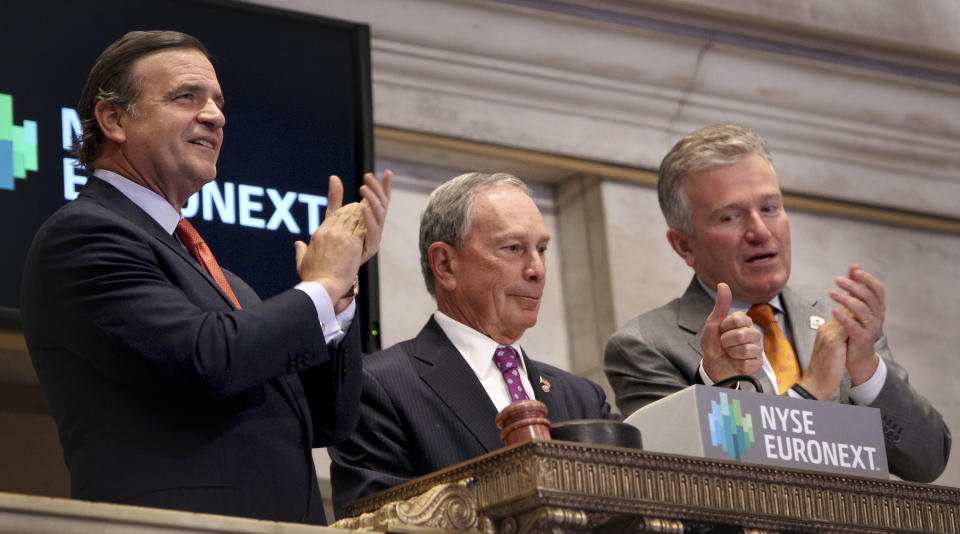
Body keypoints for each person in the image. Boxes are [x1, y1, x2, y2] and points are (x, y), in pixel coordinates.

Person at [20, 31, 391, 524]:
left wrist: (340, 292)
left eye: (218, 102)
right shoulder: (84, 235)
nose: (215, 116)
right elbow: (208, 359)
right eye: (186, 97)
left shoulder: (231, 285)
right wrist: (319, 287)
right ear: (114, 119)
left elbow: (331, 421)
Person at [604, 123, 950, 483]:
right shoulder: (647, 346)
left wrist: (868, 371)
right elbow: (691, 484)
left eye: (770, 208)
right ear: (684, 246)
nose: (760, 231)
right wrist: (810, 392)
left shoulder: (840, 324)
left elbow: (927, 461)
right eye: (730, 217)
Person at [328, 172, 617, 517]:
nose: (538, 270)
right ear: (445, 265)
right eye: (513, 248)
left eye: (541, 249)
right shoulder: (378, 388)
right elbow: (378, 525)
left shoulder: (584, 398)